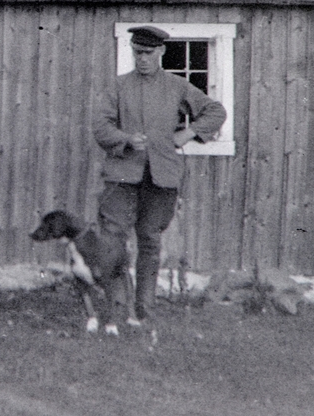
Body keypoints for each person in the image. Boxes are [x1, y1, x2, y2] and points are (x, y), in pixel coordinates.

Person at [93, 25, 226, 321]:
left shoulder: (177, 87)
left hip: (162, 177)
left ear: (161, 52)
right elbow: (101, 128)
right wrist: (125, 139)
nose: (141, 59)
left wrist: (189, 132)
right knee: (114, 240)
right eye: (137, 52)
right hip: (122, 176)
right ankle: (117, 310)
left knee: (150, 242)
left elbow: (216, 111)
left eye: (148, 53)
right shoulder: (117, 86)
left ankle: (144, 311)